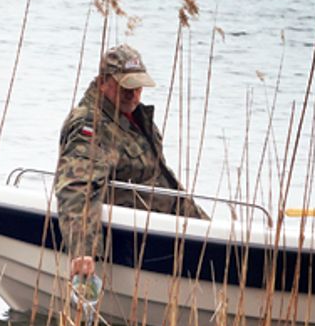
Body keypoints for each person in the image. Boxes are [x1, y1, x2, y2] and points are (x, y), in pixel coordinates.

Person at [55, 44, 207, 277]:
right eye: (126, 87)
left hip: (174, 220)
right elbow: (77, 187)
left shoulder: (138, 119)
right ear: (104, 81)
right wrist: (83, 250)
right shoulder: (91, 124)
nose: (133, 94)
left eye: (138, 87)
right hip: (139, 233)